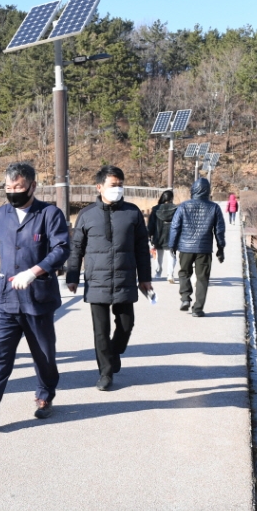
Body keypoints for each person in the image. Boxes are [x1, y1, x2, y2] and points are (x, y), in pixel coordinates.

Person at [0, 162, 70, 428]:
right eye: (8, 188)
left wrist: (35, 271)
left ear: (32, 186)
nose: (12, 192)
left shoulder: (49, 214)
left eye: (18, 187)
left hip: (38, 298)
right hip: (6, 298)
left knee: (43, 354)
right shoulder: (0, 215)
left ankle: (45, 394)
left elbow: (62, 248)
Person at [66, 165, 152, 391]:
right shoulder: (86, 215)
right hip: (97, 280)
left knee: (126, 324)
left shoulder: (133, 213)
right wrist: (72, 276)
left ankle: (114, 352)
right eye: (113, 185)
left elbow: (142, 248)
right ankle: (105, 374)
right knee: (100, 331)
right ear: (99, 187)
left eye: (120, 185)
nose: (118, 189)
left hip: (125, 277)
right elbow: (76, 249)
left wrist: (145, 278)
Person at [168, 178, 226, 318]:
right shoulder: (214, 207)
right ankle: (197, 309)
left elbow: (175, 227)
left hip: (185, 247)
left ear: (193, 190)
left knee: (183, 273)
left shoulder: (183, 206)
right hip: (204, 248)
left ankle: (185, 298)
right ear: (208, 190)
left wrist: (172, 245)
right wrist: (220, 247)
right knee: (202, 279)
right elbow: (219, 230)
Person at [147, 190, 178, 284]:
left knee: (158, 257)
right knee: (172, 256)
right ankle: (170, 274)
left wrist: (149, 235)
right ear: (171, 198)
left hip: (158, 235)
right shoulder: (176, 209)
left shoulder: (156, 209)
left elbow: (151, 225)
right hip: (172, 236)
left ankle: (158, 273)